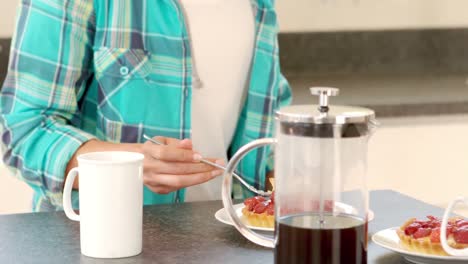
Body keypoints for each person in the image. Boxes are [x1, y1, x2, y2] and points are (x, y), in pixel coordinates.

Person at [0, 0, 291, 211]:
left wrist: (298, 192)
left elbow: (267, 139)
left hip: (222, 240)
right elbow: (25, 130)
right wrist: (131, 164)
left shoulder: (260, 7)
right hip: (98, 245)